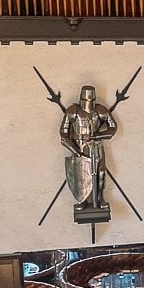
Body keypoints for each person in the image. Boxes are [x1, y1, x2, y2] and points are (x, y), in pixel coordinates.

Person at [59, 84, 117, 216]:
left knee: (101, 172)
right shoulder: (72, 111)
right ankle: (82, 200)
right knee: (82, 174)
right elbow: (63, 135)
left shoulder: (100, 110)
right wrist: (74, 150)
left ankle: (100, 198)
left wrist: (98, 135)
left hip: (96, 146)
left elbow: (113, 128)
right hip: (79, 146)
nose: (88, 102)